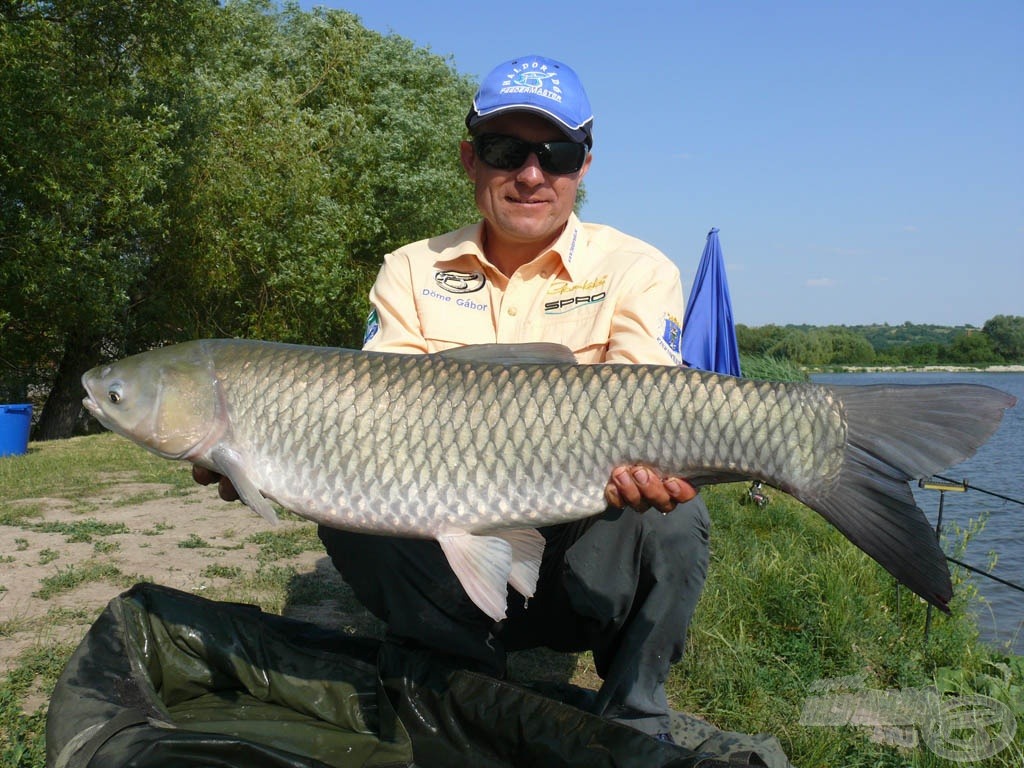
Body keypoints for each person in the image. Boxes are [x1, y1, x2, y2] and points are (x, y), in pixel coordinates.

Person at [195, 54, 710, 741]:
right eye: (506, 150)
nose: (531, 175)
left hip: (581, 557)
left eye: (555, 153)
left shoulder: (637, 269)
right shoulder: (411, 270)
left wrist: (651, 470)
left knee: (672, 519)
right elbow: (372, 422)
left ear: (583, 166)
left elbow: (652, 413)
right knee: (350, 508)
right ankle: (466, 684)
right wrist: (263, 453)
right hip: (449, 549)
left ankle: (637, 715)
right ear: (470, 159)